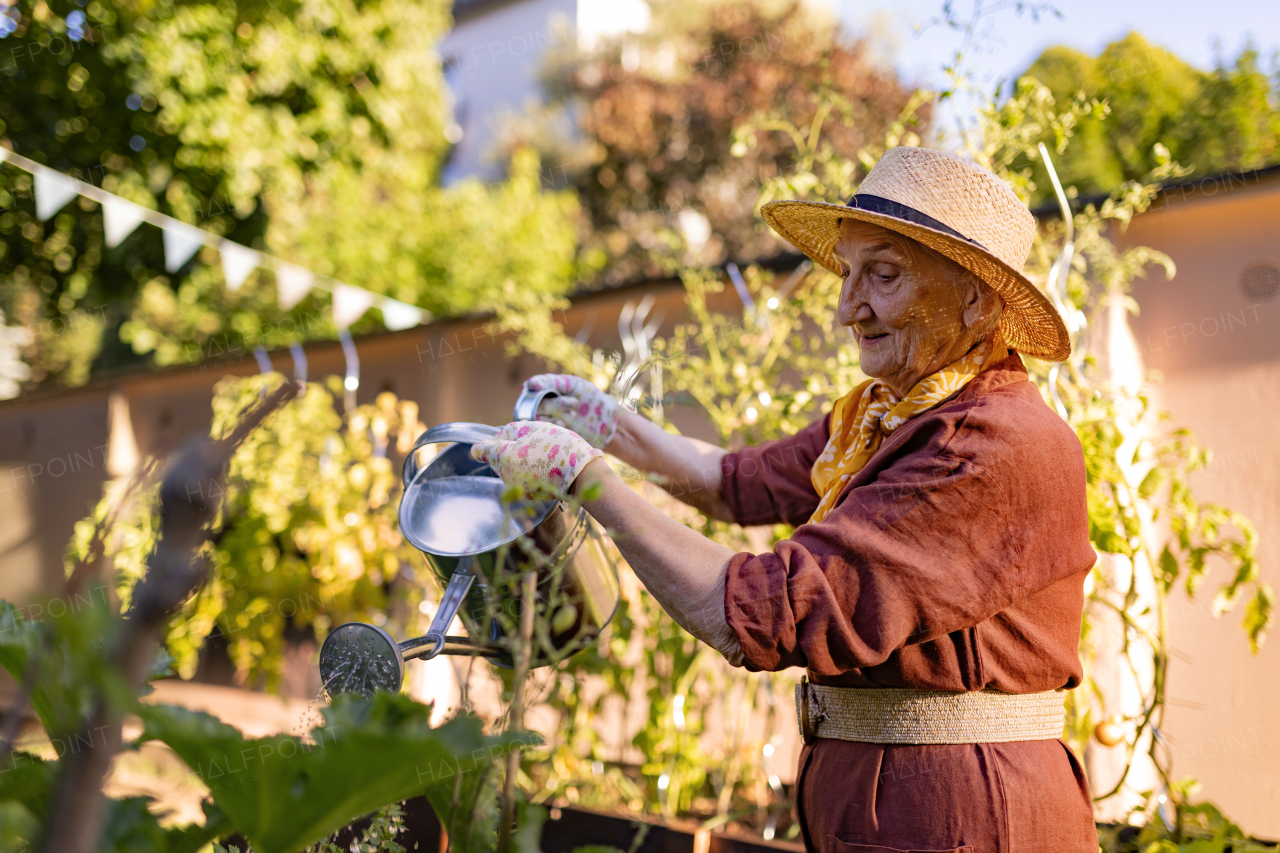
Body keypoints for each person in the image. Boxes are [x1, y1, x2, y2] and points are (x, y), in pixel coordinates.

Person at [471, 146, 1098, 852]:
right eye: (847, 273)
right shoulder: (885, 414)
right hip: (891, 809)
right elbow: (734, 482)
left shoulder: (989, 444)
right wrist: (608, 426)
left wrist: (588, 480)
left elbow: (761, 615)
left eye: (882, 276)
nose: (845, 309)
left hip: (966, 816)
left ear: (976, 299)